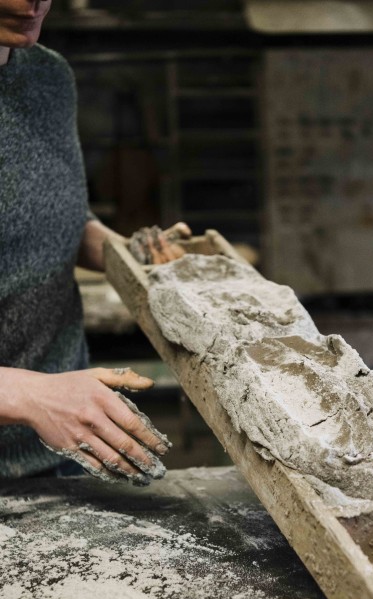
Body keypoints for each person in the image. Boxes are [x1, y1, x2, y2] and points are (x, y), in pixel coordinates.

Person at [0, 0, 190, 483]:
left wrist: (127, 253)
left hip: (63, 444)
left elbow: (55, 215)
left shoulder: (47, 77)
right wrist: (27, 395)